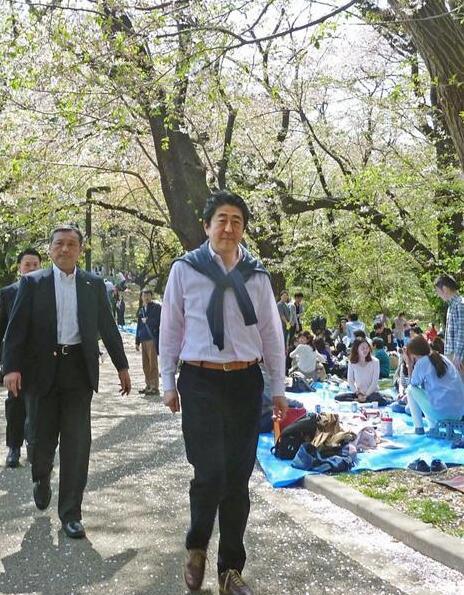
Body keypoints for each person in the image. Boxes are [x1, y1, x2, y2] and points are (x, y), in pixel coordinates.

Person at [159, 190, 287, 595]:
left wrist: (279, 388)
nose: (228, 228)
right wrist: (166, 381)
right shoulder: (185, 270)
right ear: (206, 226)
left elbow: (271, 333)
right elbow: (171, 328)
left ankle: (230, 569)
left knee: (238, 477)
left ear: (243, 228)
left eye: (236, 220)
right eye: (221, 220)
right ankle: (197, 544)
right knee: (210, 472)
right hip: (199, 381)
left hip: (245, 382)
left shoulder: (257, 275)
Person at [2, 225, 131, 539]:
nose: (65, 249)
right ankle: (41, 476)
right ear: (50, 249)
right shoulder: (32, 283)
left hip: (77, 370)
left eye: (71, 244)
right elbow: (16, 329)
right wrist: (11, 368)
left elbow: (107, 326)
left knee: (77, 444)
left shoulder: (93, 284)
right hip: (40, 370)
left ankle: (71, 513)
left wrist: (122, 366)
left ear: (80, 250)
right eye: (59, 243)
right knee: (40, 439)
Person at [0, 248, 42, 467]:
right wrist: (5, 365)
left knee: (39, 408)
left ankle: (35, 447)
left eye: (36, 264)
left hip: (42, 362)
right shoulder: (8, 293)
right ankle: (13, 448)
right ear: (19, 268)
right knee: (15, 408)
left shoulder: (48, 292)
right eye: (28, 264)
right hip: (16, 362)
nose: (32, 268)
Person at [404, 335, 464, 435]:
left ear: (413, 354)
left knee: (410, 390)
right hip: (459, 413)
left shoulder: (422, 362)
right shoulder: (443, 358)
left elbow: (412, 384)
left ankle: (419, 428)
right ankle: (432, 427)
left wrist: (409, 364)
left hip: (441, 413)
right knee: (430, 395)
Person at [335, 338, 390, 405]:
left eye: (367, 348)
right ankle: (359, 400)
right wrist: (358, 394)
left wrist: (366, 395)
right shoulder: (352, 362)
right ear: (357, 349)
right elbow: (350, 381)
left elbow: (374, 383)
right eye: (362, 348)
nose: (365, 350)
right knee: (338, 398)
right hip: (358, 393)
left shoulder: (375, 361)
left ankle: (361, 400)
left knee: (380, 400)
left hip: (371, 393)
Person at [435, 274, 464, 375]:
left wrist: (458, 356)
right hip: (451, 354)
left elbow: (462, 332)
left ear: (444, 289)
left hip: (458, 356)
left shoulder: (460, 304)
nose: (438, 295)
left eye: (438, 291)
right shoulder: (451, 306)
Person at [135, 289, 161, 396]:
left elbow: (159, 320)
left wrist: (148, 320)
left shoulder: (156, 307)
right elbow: (139, 326)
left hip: (152, 338)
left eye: (148, 295)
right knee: (145, 364)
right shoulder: (141, 310)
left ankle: (155, 387)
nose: (146, 297)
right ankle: (148, 385)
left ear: (151, 296)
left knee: (152, 364)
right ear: (141, 297)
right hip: (143, 339)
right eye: (144, 295)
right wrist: (137, 341)